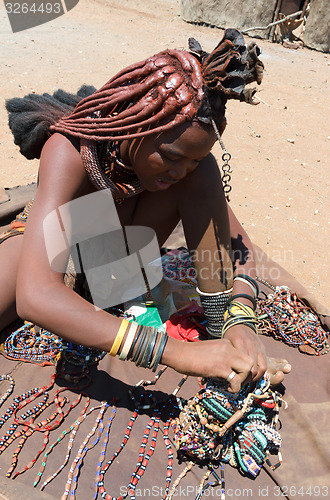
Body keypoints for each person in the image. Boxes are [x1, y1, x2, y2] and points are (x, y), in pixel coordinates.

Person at [0, 29, 291, 392]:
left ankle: (217, 329)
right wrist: (174, 352)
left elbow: (239, 248)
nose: (179, 170)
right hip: (64, 251)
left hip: (118, 273)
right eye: (170, 157)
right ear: (140, 126)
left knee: (203, 176)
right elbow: (36, 296)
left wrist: (239, 324)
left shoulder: (192, 171)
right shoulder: (70, 151)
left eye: (191, 159)